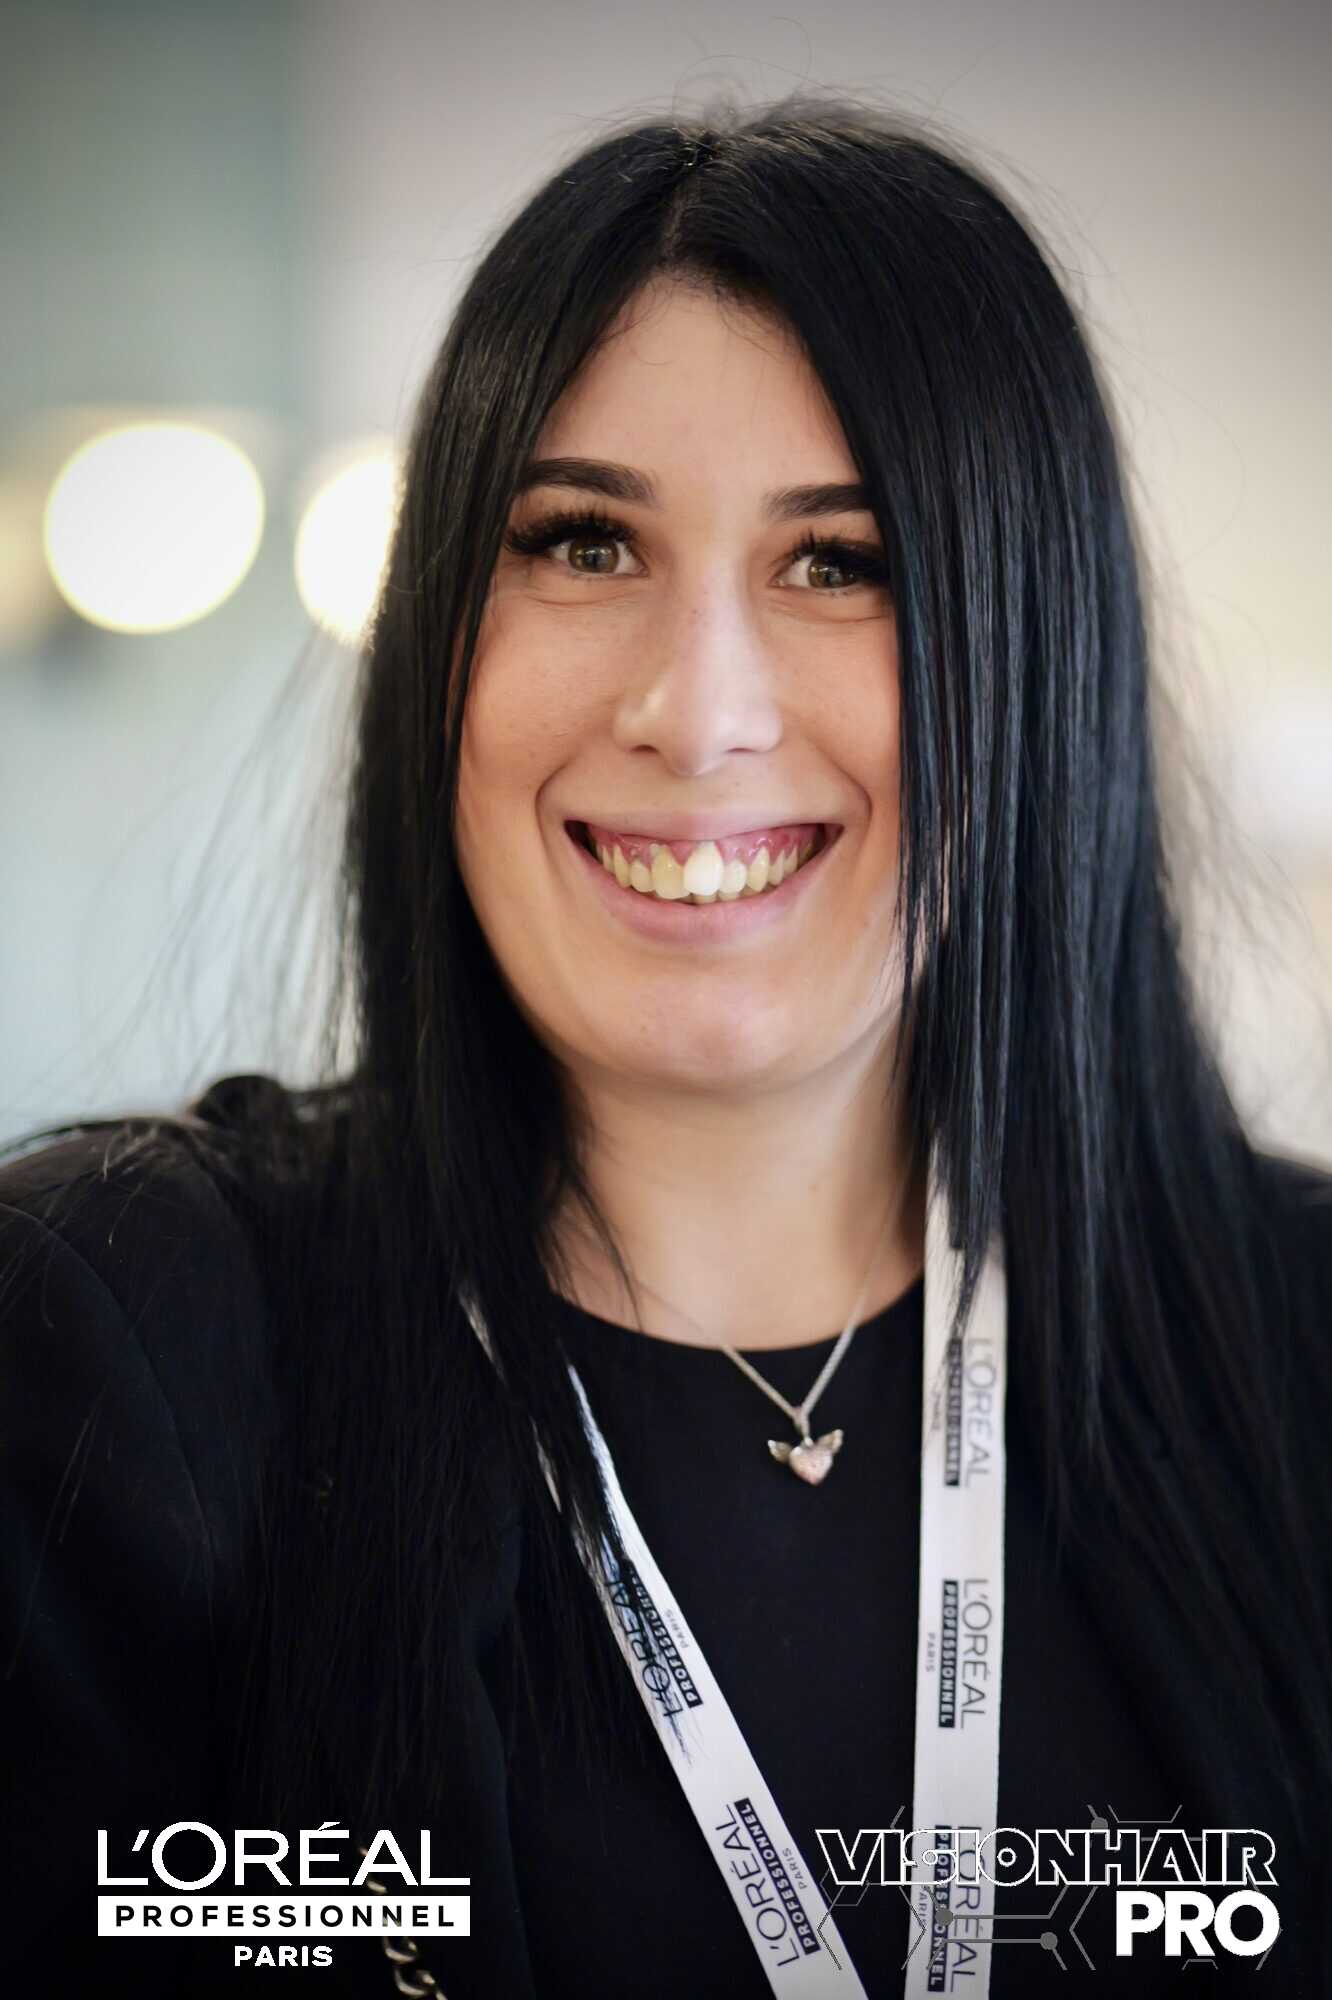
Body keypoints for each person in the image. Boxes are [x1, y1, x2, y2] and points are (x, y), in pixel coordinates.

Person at [2, 97, 1329, 1999]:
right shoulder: (104, 1354)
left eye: (840, 562)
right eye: (583, 541)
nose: (696, 714)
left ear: (1039, 653)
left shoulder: (1295, 1348)